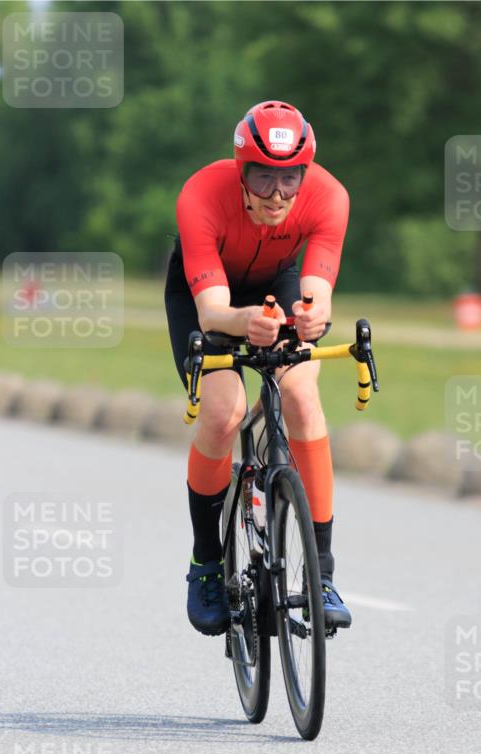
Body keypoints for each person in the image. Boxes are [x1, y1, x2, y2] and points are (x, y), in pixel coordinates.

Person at [165, 99, 352, 637]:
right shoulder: (201, 194)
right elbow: (212, 312)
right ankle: (205, 564)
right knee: (225, 411)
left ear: (305, 174)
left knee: (301, 395)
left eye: (290, 179)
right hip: (208, 296)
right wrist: (245, 320)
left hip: (278, 283)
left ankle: (322, 574)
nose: (277, 195)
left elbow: (318, 293)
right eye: (263, 179)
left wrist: (310, 319)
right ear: (241, 171)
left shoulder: (330, 198)